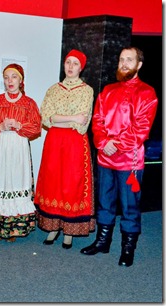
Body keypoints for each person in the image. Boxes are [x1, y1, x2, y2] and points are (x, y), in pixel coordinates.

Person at [80, 47, 158, 267]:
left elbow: (142, 128)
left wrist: (118, 144)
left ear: (139, 64)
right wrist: (104, 143)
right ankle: (102, 242)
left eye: (129, 60)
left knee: (129, 205)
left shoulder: (147, 93)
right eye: (121, 59)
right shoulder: (108, 90)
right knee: (104, 202)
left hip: (129, 161)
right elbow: (97, 120)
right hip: (105, 157)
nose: (124, 63)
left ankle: (127, 248)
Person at [34, 50, 95, 249]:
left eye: (75, 63)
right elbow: (45, 118)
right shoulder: (53, 89)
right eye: (68, 62)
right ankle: (53, 228)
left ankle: (69, 231)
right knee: (53, 182)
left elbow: (82, 124)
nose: (70, 67)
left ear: (81, 67)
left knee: (71, 183)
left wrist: (57, 119)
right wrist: (71, 118)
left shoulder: (87, 90)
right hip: (54, 143)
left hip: (75, 144)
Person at [0, 63, 41, 242]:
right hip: (0, 147)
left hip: (18, 149)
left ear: (21, 80)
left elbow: (36, 127)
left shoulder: (29, 103)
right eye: (6, 77)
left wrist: (20, 126)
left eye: (14, 77)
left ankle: (15, 226)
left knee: (15, 181)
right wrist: (0, 126)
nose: (10, 81)